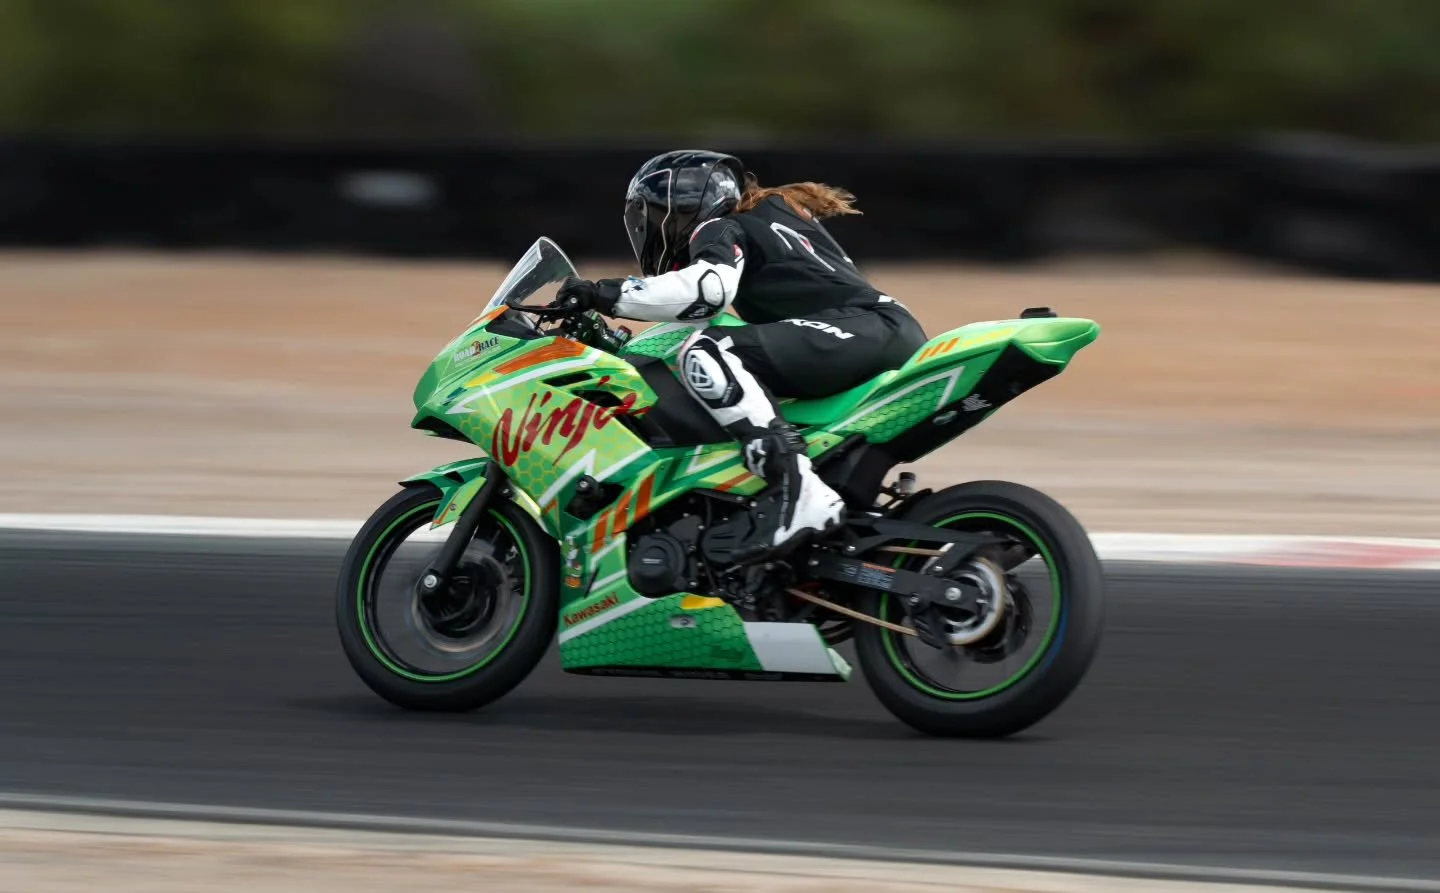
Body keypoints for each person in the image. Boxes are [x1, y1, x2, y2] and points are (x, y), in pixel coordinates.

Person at [553, 149, 927, 562]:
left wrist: (603, 292)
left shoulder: (720, 226)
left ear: (682, 206)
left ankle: (794, 487)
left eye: (656, 217)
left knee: (708, 350)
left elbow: (706, 292)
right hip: (876, 330)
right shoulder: (773, 215)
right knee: (717, 346)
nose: (654, 229)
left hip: (866, 329)